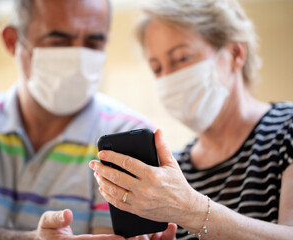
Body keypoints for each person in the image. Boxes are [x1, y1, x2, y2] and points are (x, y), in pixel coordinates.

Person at [0, 0, 178, 239]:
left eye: (93, 42)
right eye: (59, 41)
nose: (78, 59)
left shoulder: (126, 137)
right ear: (12, 41)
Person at [90, 0, 293, 239]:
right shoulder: (174, 171)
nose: (168, 78)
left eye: (182, 58)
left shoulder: (286, 129)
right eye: (157, 68)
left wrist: (191, 210)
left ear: (236, 53)